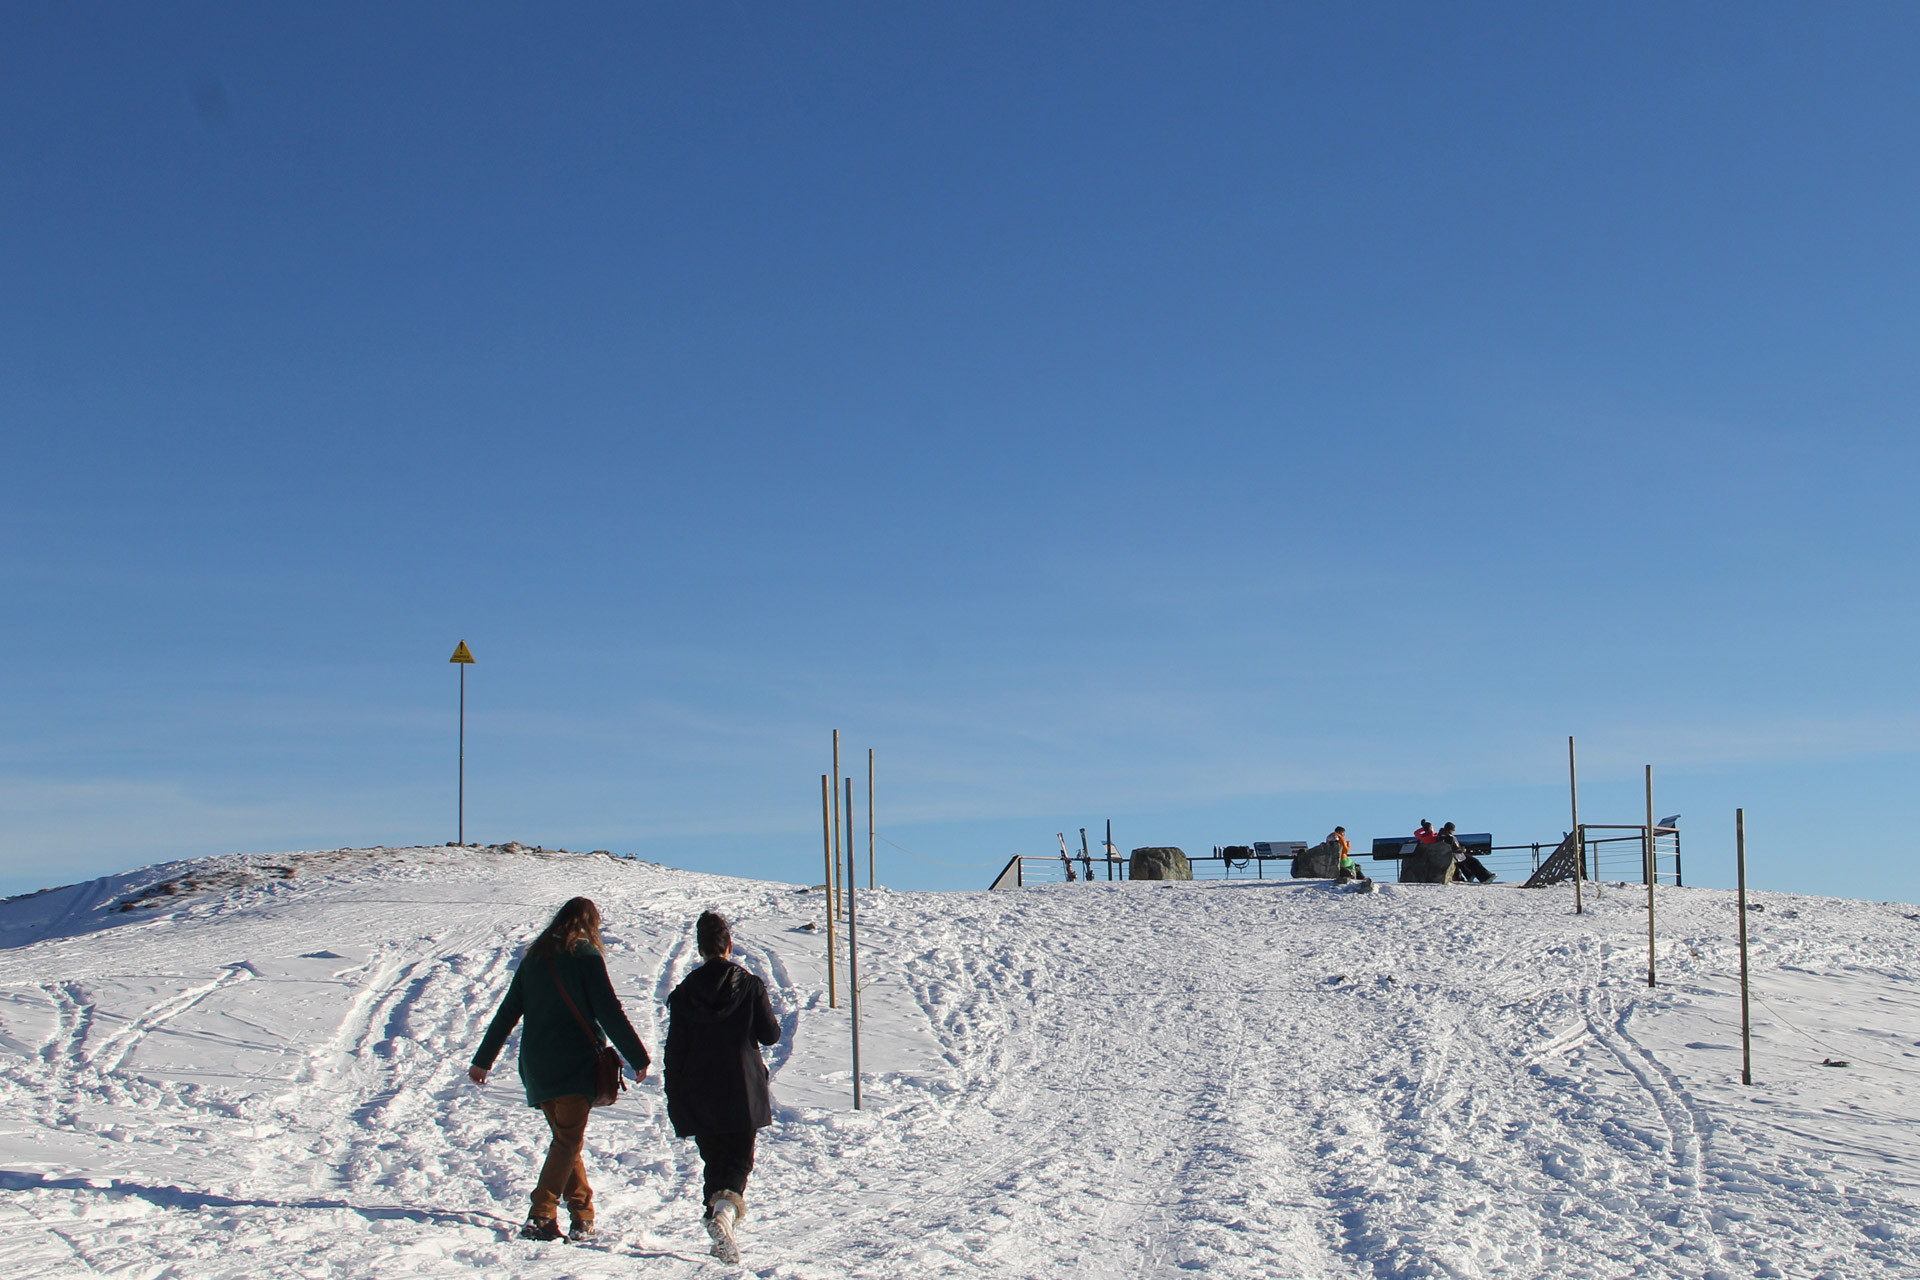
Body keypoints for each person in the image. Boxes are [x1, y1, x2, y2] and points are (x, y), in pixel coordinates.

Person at [469, 897, 652, 1242]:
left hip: (537, 1068)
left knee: (565, 1142)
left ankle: (582, 1215)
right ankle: (541, 1214)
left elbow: (507, 1013)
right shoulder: (585, 956)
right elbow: (608, 1010)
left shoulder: (534, 959)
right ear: (590, 924)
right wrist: (637, 1056)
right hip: (574, 1064)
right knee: (567, 1141)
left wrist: (483, 1060)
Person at [664, 910, 782, 1264]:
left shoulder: (684, 993)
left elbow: (675, 1052)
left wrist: (675, 1095)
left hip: (699, 1090)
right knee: (738, 1162)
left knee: (714, 1160)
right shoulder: (748, 984)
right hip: (742, 1089)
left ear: (700, 949)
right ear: (729, 944)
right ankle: (725, 1217)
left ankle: (720, 1230)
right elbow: (771, 1034)